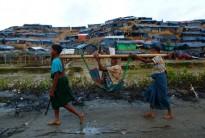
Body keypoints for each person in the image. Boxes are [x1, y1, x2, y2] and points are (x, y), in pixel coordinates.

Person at [132, 47, 173, 120]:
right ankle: (151, 112)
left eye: (151, 51)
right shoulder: (158, 57)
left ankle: (170, 113)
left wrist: (135, 56)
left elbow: (146, 62)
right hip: (157, 79)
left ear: (155, 51)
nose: (150, 52)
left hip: (161, 79)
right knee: (152, 93)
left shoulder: (157, 57)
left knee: (162, 96)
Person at [48, 44, 85, 126]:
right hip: (61, 80)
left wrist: (52, 89)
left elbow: (56, 76)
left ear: (56, 51)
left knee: (63, 102)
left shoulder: (56, 61)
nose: (50, 51)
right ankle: (57, 120)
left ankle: (80, 115)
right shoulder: (58, 59)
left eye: (52, 50)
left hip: (59, 81)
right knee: (54, 100)